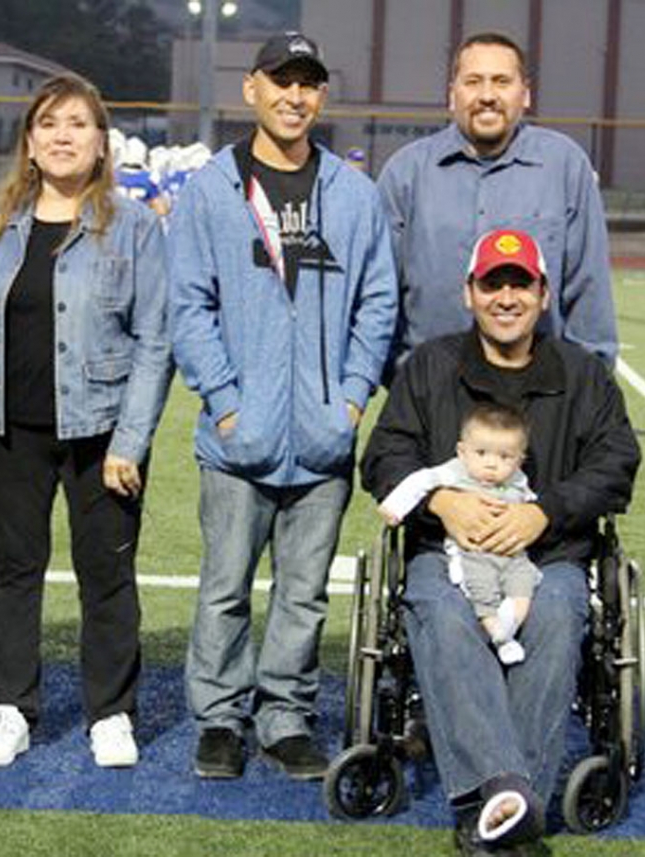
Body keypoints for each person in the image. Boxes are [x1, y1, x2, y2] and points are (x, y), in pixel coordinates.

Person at [360, 227, 640, 854]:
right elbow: (384, 456)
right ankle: (510, 798)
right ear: (469, 293)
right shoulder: (431, 366)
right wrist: (441, 500)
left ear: (543, 295)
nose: (506, 296)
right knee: (439, 607)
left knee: (560, 613)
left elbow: (616, 461)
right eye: (493, 283)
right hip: (448, 552)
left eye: (521, 284)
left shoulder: (582, 375)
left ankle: (496, 807)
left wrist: (547, 512)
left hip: (550, 555)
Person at [168, 31, 398, 781]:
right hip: (240, 438)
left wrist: (353, 397)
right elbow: (188, 306)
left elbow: (377, 304)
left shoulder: (353, 193)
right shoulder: (211, 188)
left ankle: (287, 717)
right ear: (253, 90)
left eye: (308, 83)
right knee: (225, 589)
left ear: (321, 95)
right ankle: (221, 719)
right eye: (281, 81)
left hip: (324, 438)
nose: (295, 96)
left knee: (304, 595)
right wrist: (228, 404)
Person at [0, 73, 171, 770]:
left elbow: (155, 340)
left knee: (107, 575)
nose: (62, 136)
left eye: (78, 123)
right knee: (12, 571)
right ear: (29, 141)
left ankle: (111, 712)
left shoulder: (136, 227)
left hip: (101, 433)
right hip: (8, 429)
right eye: (49, 123)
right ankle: (7, 708)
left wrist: (132, 440)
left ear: (101, 142)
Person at [376, 31, 618, 373]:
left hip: (537, 395)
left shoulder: (564, 166)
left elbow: (588, 289)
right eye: (473, 81)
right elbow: (379, 294)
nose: (487, 95)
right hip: (431, 393)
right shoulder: (405, 173)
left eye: (502, 81)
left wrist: (589, 389)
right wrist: (405, 379)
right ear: (452, 95)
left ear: (526, 94)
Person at [379, 401, 539, 666]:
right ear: (462, 452)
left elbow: (531, 500)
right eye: (481, 453)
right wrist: (395, 507)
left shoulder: (517, 479)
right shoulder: (454, 472)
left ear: (520, 459)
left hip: (513, 553)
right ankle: (499, 636)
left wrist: (537, 513)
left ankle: (507, 628)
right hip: (472, 552)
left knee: (524, 586)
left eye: (504, 457)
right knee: (481, 589)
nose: (491, 465)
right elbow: (420, 481)